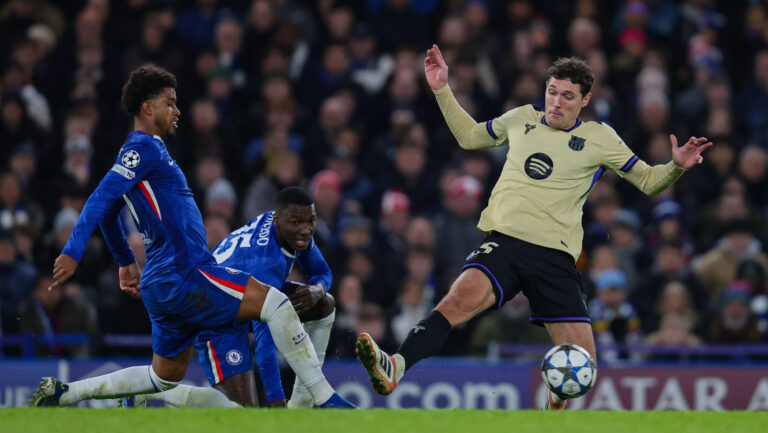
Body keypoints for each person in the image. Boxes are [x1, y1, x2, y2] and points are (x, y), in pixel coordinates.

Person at [355, 44, 712, 410]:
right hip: (504, 243)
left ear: (585, 99)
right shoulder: (522, 118)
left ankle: (553, 406)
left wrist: (676, 167)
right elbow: (470, 137)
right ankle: (394, 366)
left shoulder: (600, 138)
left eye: (568, 96)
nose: (556, 102)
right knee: (456, 300)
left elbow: (650, 182)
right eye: (552, 92)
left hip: (554, 256)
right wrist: (442, 89)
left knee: (583, 366)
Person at [29, 65, 353, 409]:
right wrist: (72, 251)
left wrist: (125, 261)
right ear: (148, 108)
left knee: (162, 377)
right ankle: (326, 399)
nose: (177, 110)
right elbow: (99, 198)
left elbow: (110, 212)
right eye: (170, 102)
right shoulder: (143, 149)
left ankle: (66, 393)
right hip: (186, 272)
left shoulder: (147, 153)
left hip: (161, 281)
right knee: (276, 304)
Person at [125, 187, 337, 408]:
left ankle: (303, 401)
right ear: (278, 220)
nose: (306, 230)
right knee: (242, 414)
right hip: (214, 316)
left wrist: (318, 289)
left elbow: (322, 271)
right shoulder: (265, 263)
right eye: (298, 223)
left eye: (311, 221)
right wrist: (278, 406)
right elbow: (265, 342)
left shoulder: (291, 228)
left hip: (240, 299)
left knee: (324, 303)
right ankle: (152, 392)